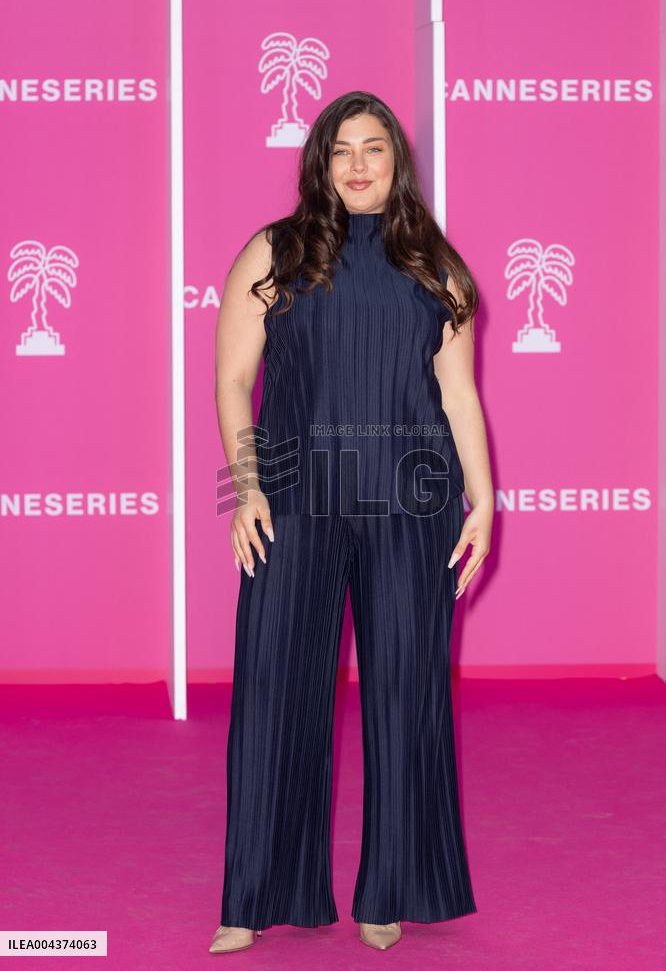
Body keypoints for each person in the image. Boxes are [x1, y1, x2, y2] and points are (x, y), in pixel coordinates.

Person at [210, 91, 493, 954]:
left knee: (407, 695)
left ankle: (390, 891)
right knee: (272, 692)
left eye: (374, 148)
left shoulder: (433, 263)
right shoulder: (274, 250)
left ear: (396, 160)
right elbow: (231, 383)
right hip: (294, 496)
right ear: (319, 164)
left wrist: (483, 499)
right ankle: (251, 898)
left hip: (415, 499)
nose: (359, 164)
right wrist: (248, 489)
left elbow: (458, 394)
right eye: (341, 151)